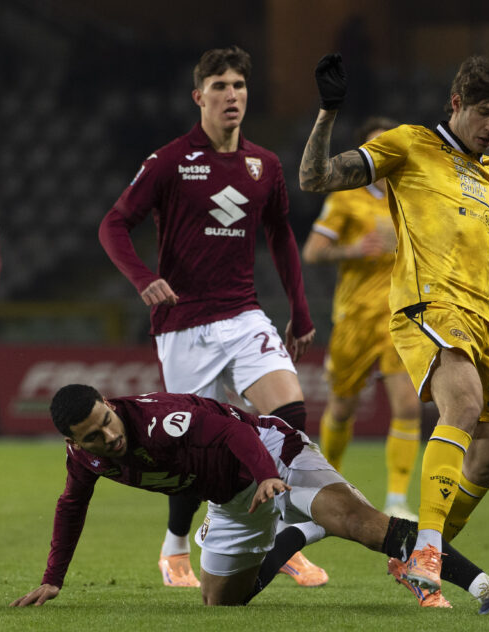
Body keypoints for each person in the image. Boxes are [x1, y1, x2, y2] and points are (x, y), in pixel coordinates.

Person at [299, 54, 489, 602]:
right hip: (428, 307)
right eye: (485, 113)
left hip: (480, 315)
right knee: (463, 406)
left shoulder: (487, 172)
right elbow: (315, 177)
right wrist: (329, 112)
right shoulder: (408, 144)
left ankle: (423, 551)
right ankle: (425, 546)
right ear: (457, 104)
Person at [98, 46, 325, 590]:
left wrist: (298, 309)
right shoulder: (170, 161)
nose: (232, 95)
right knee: (192, 446)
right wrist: (142, 278)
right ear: (199, 97)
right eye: (220, 86)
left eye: (240, 86)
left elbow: (280, 238)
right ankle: (176, 545)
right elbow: (114, 224)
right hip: (184, 325)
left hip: (244, 313)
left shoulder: (264, 165)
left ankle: (272, 534)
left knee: (289, 416)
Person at [9, 384, 489, 612]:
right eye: (93, 436)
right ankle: (298, 533)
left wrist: (268, 476)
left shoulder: (160, 420)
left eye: (106, 422)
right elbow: (71, 506)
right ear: (73, 443)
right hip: (229, 497)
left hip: (272, 452)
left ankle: (484, 586)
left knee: (362, 524)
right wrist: (53, 579)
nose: (109, 437)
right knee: (221, 602)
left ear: (106, 404)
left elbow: (234, 433)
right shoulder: (85, 459)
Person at [301, 115, 420, 521]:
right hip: (354, 320)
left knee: (408, 406)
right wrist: (356, 248)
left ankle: (397, 500)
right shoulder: (345, 198)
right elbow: (312, 252)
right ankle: (328, 483)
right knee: (342, 408)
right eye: (374, 146)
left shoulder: (412, 197)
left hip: (400, 318)